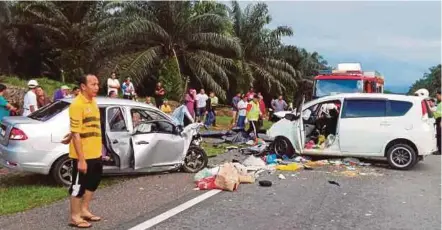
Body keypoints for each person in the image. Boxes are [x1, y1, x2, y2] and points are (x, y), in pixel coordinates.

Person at [67, 74, 102, 228]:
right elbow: (76, 133)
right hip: (83, 155)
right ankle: (75, 217)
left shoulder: (93, 102)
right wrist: (81, 159)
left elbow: (83, 127)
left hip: (96, 152)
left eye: (97, 84)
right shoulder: (77, 104)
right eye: (93, 84)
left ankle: (84, 210)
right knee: (78, 186)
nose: (96, 87)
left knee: (93, 182)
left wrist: (69, 135)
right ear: (83, 86)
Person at [434, 90, 441, 155]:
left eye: (437, 96)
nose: (437, 97)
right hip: (438, 120)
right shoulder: (439, 103)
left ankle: (440, 150)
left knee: (439, 136)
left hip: (440, 120)